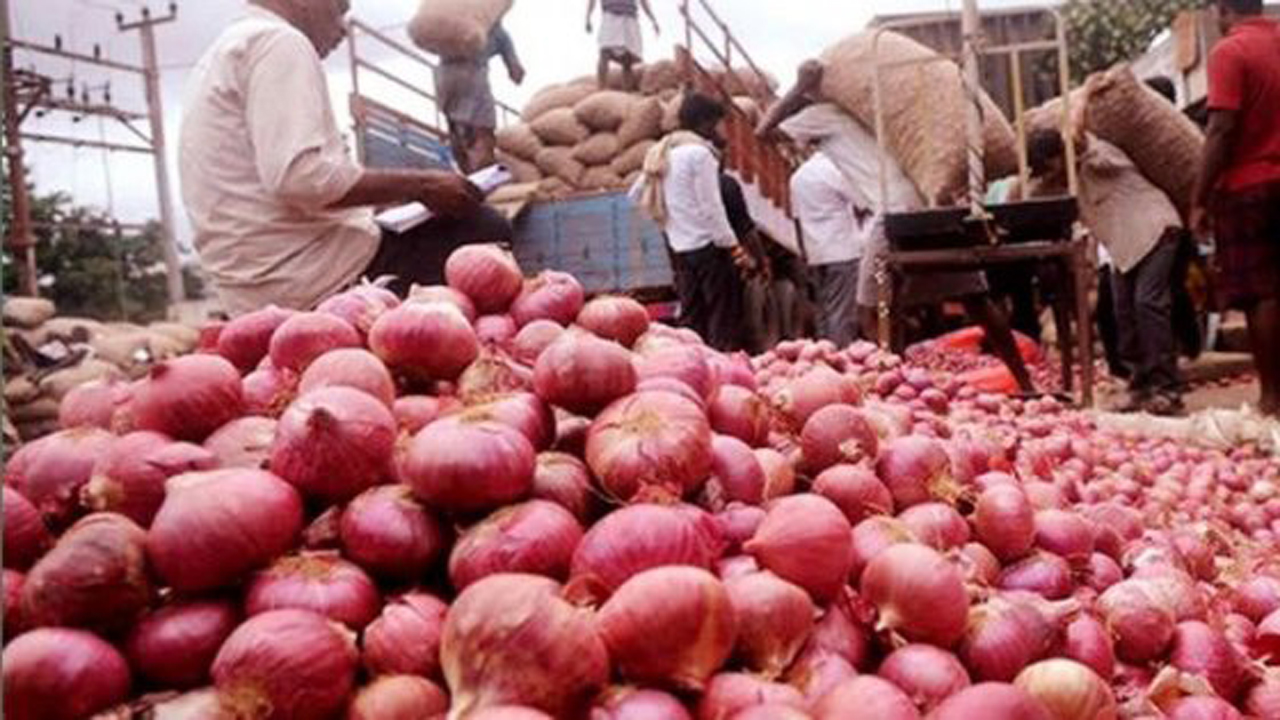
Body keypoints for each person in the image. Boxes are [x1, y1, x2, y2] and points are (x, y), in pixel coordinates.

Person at [179, 0, 511, 315]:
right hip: (316, 277)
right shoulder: (280, 43)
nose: (342, 28)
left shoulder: (224, 52)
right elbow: (301, 177)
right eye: (339, 9)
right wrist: (422, 185)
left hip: (254, 288)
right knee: (481, 229)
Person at [758, 60, 1036, 393]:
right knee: (975, 299)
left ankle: (898, 387)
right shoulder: (877, 115)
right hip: (930, 204)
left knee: (873, 309)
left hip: (894, 217)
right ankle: (1024, 381)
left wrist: (799, 87)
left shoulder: (823, 116)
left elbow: (763, 132)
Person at [1028, 129, 1185, 414]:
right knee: (1122, 311)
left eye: (1050, 165)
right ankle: (1139, 385)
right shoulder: (1073, 182)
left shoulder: (1100, 157)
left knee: (1147, 304)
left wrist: (1079, 140)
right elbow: (1037, 193)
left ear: (1061, 155)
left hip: (1155, 231)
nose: (1050, 174)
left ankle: (1167, 388)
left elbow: (1095, 154)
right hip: (1125, 247)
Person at [1191, 0, 1280, 418]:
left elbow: (1221, 128)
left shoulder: (1230, 51)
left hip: (1250, 187)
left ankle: (1272, 399)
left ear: (1222, 10)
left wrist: (1200, 198)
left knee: (1262, 294)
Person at [632, 93, 754, 351]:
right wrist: (733, 246)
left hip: (680, 249)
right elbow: (712, 208)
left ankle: (691, 360)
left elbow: (636, 193)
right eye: (718, 123)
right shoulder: (700, 154)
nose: (720, 130)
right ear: (705, 123)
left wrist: (673, 219)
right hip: (709, 247)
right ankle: (722, 365)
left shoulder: (662, 153)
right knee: (723, 313)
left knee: (691, 313)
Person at [791, 151, 866, 347]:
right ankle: (840, 355)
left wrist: (804, 253)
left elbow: (797, 221)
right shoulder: (835, 170)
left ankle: (823, 354)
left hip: (815, 253)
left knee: (823, 311)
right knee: (840, 311)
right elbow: (862, 202)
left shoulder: (797, 177)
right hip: (842, 251)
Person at [433, 24, 525, 174]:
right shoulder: (498, 32)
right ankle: (481, 182)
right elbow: (516, 73)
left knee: (457, 132)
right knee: (483, 134)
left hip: (444, 80)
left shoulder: (454, 21)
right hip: (473, 76)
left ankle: (467, 175)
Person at [585, 0, 659, 92]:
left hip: (629, 17)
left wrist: (653, 20)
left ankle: (627, 92)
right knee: (604, 52)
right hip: (610, 15)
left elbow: (643, 2)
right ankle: (601, 88)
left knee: (627, 60)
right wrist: (588, 17)